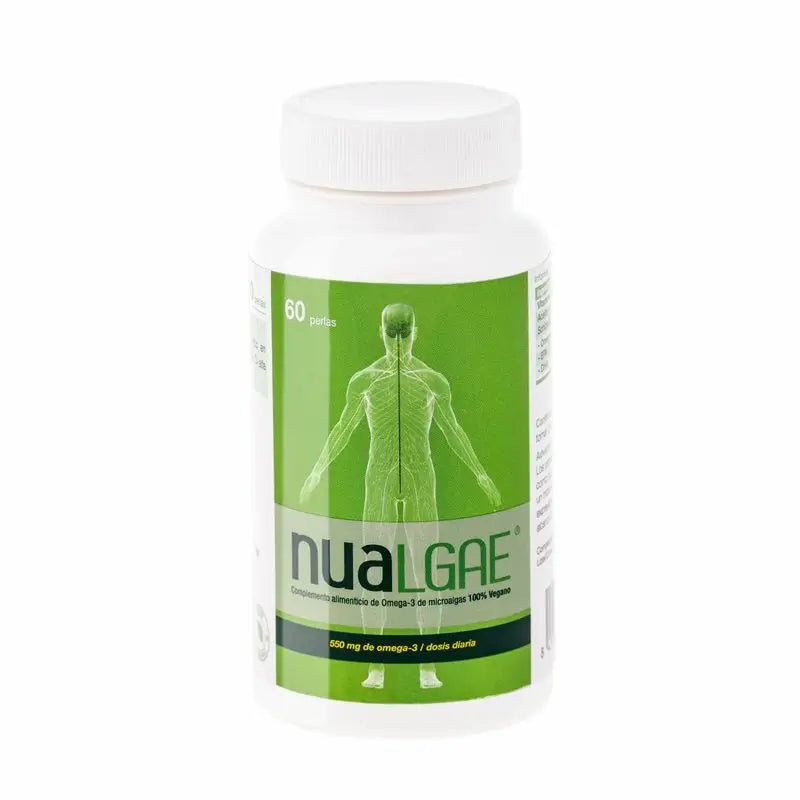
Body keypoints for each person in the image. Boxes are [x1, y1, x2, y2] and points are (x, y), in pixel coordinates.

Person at [300, 303, 501, 689]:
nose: (397, 342)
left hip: (420, 476)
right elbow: (342, 429)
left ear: (414, 333)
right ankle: (375, 667)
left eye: (403, 334)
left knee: (430, 570)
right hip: (379, 477)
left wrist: (479, 473)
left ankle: (428, 667)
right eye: (393, 334)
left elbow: (453, 430)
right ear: (381, 332)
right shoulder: (365, 380)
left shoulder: (431, 380)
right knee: (371, 571)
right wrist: (317, 470)